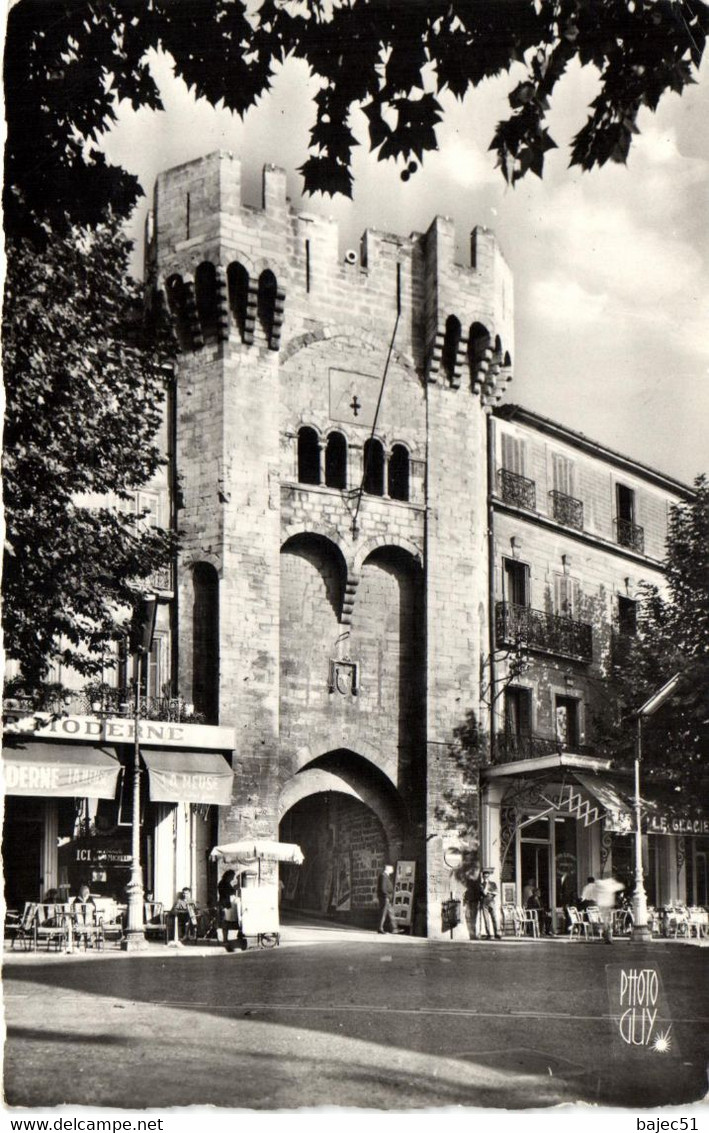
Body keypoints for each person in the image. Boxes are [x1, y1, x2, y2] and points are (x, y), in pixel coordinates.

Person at [377, 864, 402, 934]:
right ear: (387, 869)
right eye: (391, 869)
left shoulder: (386, 876)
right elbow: (383, 888)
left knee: (391, 913)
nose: (393, 870)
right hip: (385, 898)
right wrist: (386, 896)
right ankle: (380, 928)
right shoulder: (383, 876)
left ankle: (394, 929)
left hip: (387, 898)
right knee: (384, 914)